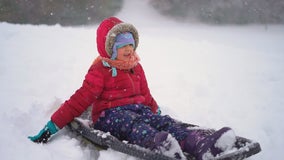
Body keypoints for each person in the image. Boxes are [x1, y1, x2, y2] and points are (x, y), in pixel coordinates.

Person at [28, 17, 236, 160]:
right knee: (134, 125)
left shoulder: (136, 68)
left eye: (131, 43)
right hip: (109, 116)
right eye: (121, 45)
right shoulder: (101, 70)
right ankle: (160, 145)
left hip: (138, 109)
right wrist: (52, 126)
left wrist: (157, 113)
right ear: (109, 49)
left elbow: (145, 95)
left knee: (163, 123)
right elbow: (79, 100)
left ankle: (198, 145)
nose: (128, 49)